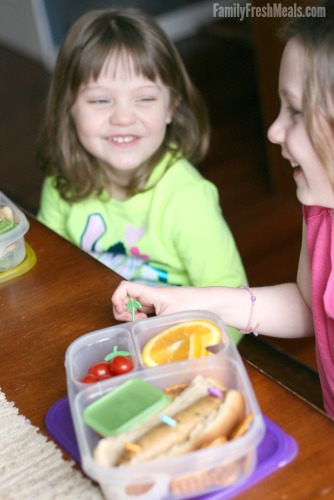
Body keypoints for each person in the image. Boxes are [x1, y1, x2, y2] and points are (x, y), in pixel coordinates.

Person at [112, 2, 334, 418]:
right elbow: (308, 307)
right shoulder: (321, 210)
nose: (273, 129)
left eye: (297, 111)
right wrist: (191, 302)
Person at [36, 8, 247, 344]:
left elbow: (234, 303)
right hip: (93, 330)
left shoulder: (187, 197)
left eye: (145, 98)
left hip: (176, 339)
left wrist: (200, 360)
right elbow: (50, 270)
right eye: (101, 99)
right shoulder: (63, 182)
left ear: (171, 107)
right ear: (69, 107)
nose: (122, 117)